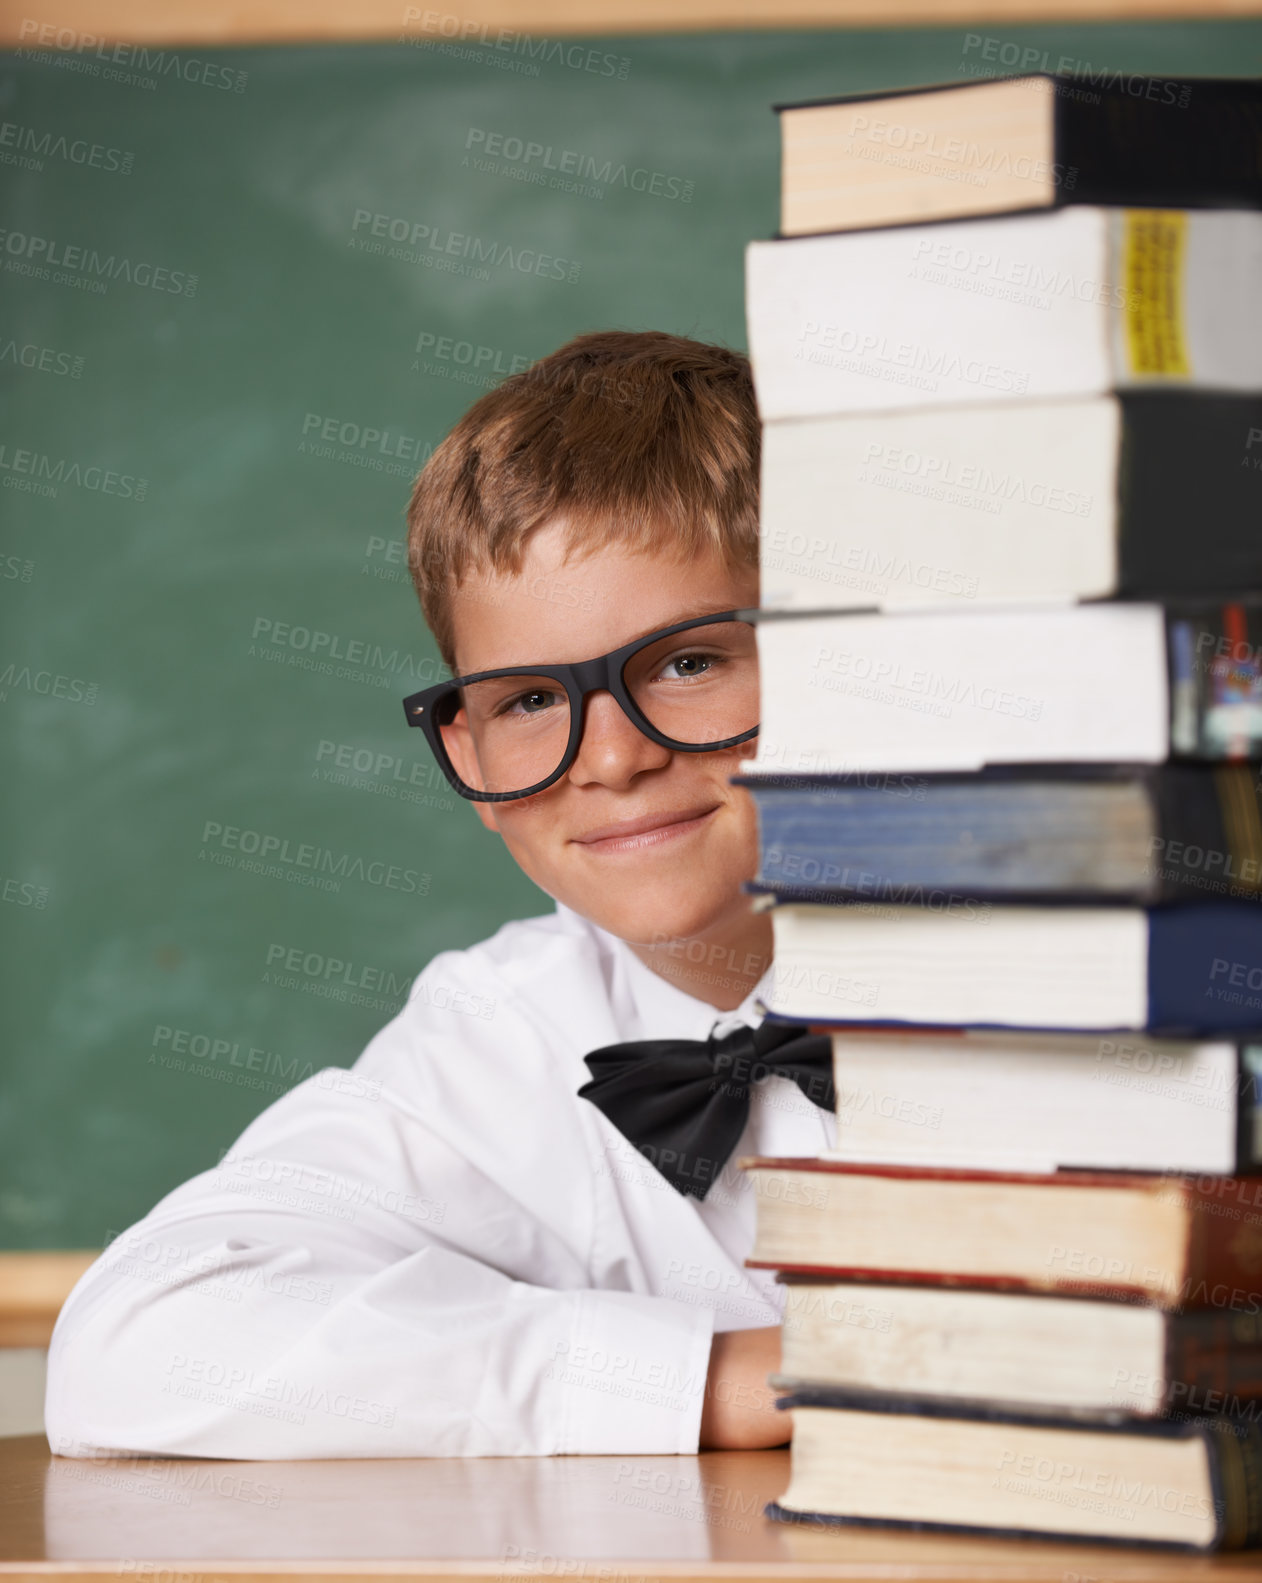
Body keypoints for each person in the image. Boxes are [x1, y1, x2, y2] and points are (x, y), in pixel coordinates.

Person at [43, 330, 837, 1460]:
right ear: (465, 751)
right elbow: (135, 1343)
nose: (607, 759)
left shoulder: (1084, 954)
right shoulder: (504, 1031)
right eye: (526, 701)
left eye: (686, 662)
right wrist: (713, 1379)